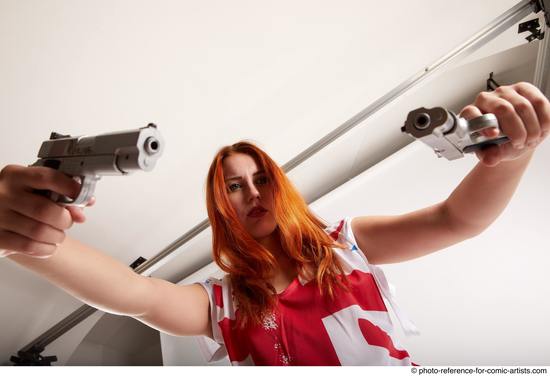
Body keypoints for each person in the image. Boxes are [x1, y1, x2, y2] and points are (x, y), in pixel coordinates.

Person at [0, 82, 548, 366]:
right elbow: (136, 295)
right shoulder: (223, 304)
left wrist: (515, 151)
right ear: (223, 209)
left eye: (261, 177)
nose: (253, 193)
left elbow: (456, 220)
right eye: (234, 186)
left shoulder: (347, 246)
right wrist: (18, 240)